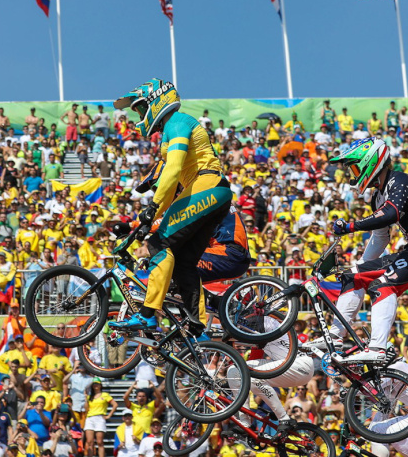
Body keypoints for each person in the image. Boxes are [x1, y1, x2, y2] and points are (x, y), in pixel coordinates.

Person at [109, 79, 232, 333]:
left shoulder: (177, 123)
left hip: (206, 186)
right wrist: (150, 215)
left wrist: (153, 207)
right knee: (184, 263)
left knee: (158, 245)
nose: (140, 117)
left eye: (142, 109)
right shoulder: (173, 127)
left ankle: (147, 315)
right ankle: (197, 327)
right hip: (210, 191)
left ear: (156, 101)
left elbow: (173, 170)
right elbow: (170, 186)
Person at [314, 138, 408, 364]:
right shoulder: (377, 196)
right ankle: (335, 336)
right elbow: (380, 237)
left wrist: (350, 226)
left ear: (372, 162)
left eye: (355, 167)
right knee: (352, 276)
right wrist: (359, 268)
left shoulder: (399, 179)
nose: (353, 173)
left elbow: (392, 213)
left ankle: (377, 348)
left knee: (384, 286)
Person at [228, 317, 315, 439]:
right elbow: (249, 365)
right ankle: (244, 423)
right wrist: (233, 382)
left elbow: (236, 334)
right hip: (286, 365)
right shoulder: (257, 334)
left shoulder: (266, 323)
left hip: (300, 365)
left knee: (254, 378)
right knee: (234, 370)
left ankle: (284, 419)